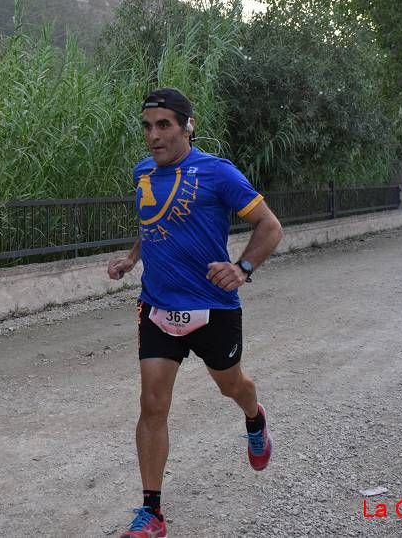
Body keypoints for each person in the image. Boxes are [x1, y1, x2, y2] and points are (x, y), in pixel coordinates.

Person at [106, 88, 284, 538]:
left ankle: (254, 416)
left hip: (213, 308)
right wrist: (132, 258)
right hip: (158, 306)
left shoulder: (216, 173)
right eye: (147, 126)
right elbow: (154, 223)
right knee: (152, 404)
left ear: (188, 125)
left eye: (164, 125)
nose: (153, 136)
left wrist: (242, 267)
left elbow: (270, 225)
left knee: (233, 387)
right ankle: (152, 513)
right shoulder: (143, 173)